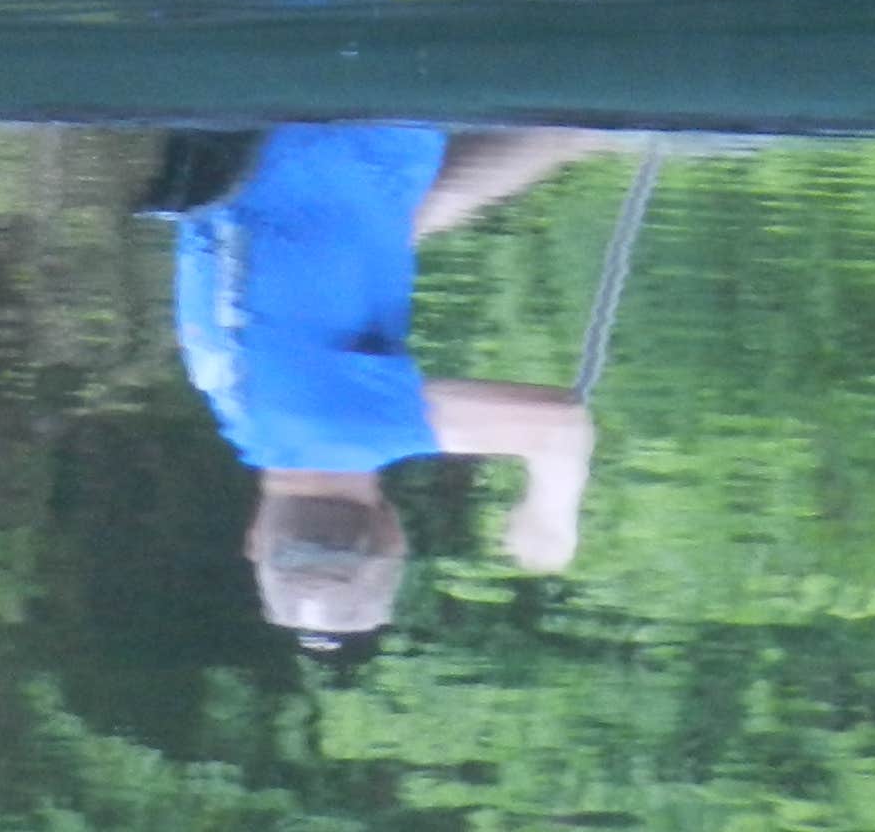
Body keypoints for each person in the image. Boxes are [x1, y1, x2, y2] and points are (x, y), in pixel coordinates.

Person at [162, 124, 617, 646]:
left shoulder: (345, 432)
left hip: (357, 117)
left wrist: (550, 518)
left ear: (396, 532)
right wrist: (573, 137)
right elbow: (405, 216)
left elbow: (557, 428)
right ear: (252, 536)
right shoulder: (231, 391)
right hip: (256, 123)